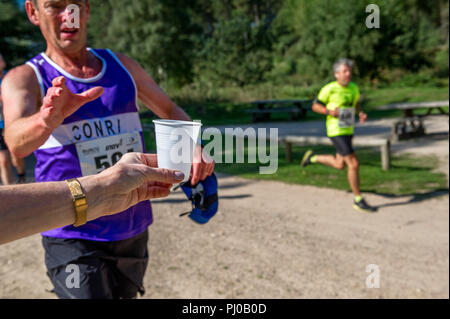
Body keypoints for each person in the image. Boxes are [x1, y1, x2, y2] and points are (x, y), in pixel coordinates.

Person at [2, 0, 214, 299]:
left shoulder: (121, 65)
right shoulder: (25, 77)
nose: (68, 15)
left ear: (87, 10)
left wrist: (191, 144)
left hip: (132, 220)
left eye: (74, 5)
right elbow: (15, 141)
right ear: (33, 13)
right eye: (54, 6)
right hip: (71, 229)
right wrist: (45, 119)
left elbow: (168, 108)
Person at [0, 152, 184, 245]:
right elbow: (16, 145)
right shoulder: (26, 78)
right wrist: (43, 121)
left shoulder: (133, 76)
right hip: (71, 237)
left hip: (129, 225)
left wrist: (103, 191)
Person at [301, 58, 377, 213]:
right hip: (336, 130)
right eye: (344, 71)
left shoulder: (354, 87)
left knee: (339, 164)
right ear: (336, 74)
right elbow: (315, 106)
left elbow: (355, 103)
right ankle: (358, 199)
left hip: (348, 129)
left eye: (349, 71)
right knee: (354, 164)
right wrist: (329, 112)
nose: (348, 74)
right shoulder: (329, 89)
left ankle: (312, 158)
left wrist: (361, 113)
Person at [0, 54, 14, 186]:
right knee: (4, 161)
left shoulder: (10, 77)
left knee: (17, 159)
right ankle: (10, 192)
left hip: (12, 124)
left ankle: (21, 176)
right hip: (0, 127)